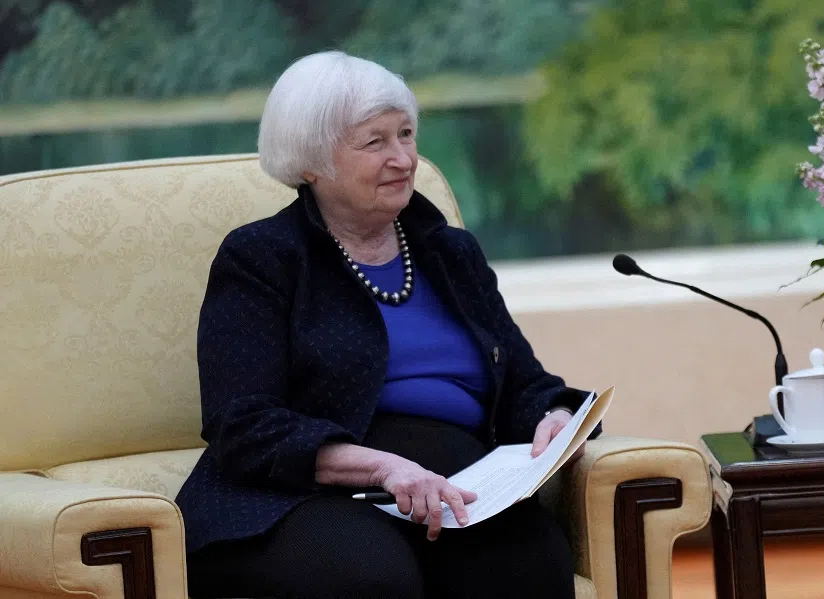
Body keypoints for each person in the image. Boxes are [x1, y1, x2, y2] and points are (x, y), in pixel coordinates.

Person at [175, 50, 600, 599]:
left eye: (406, 134)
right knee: (372, 579)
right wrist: (382, 468)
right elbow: (243, 424)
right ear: (311, 162)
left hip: (452, 489)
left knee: (529, 562)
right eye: (375, 142)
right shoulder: (263, 257)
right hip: (301, 495)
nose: (403, 159)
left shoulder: (451, 253)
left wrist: (554, 415)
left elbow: (522, 380)